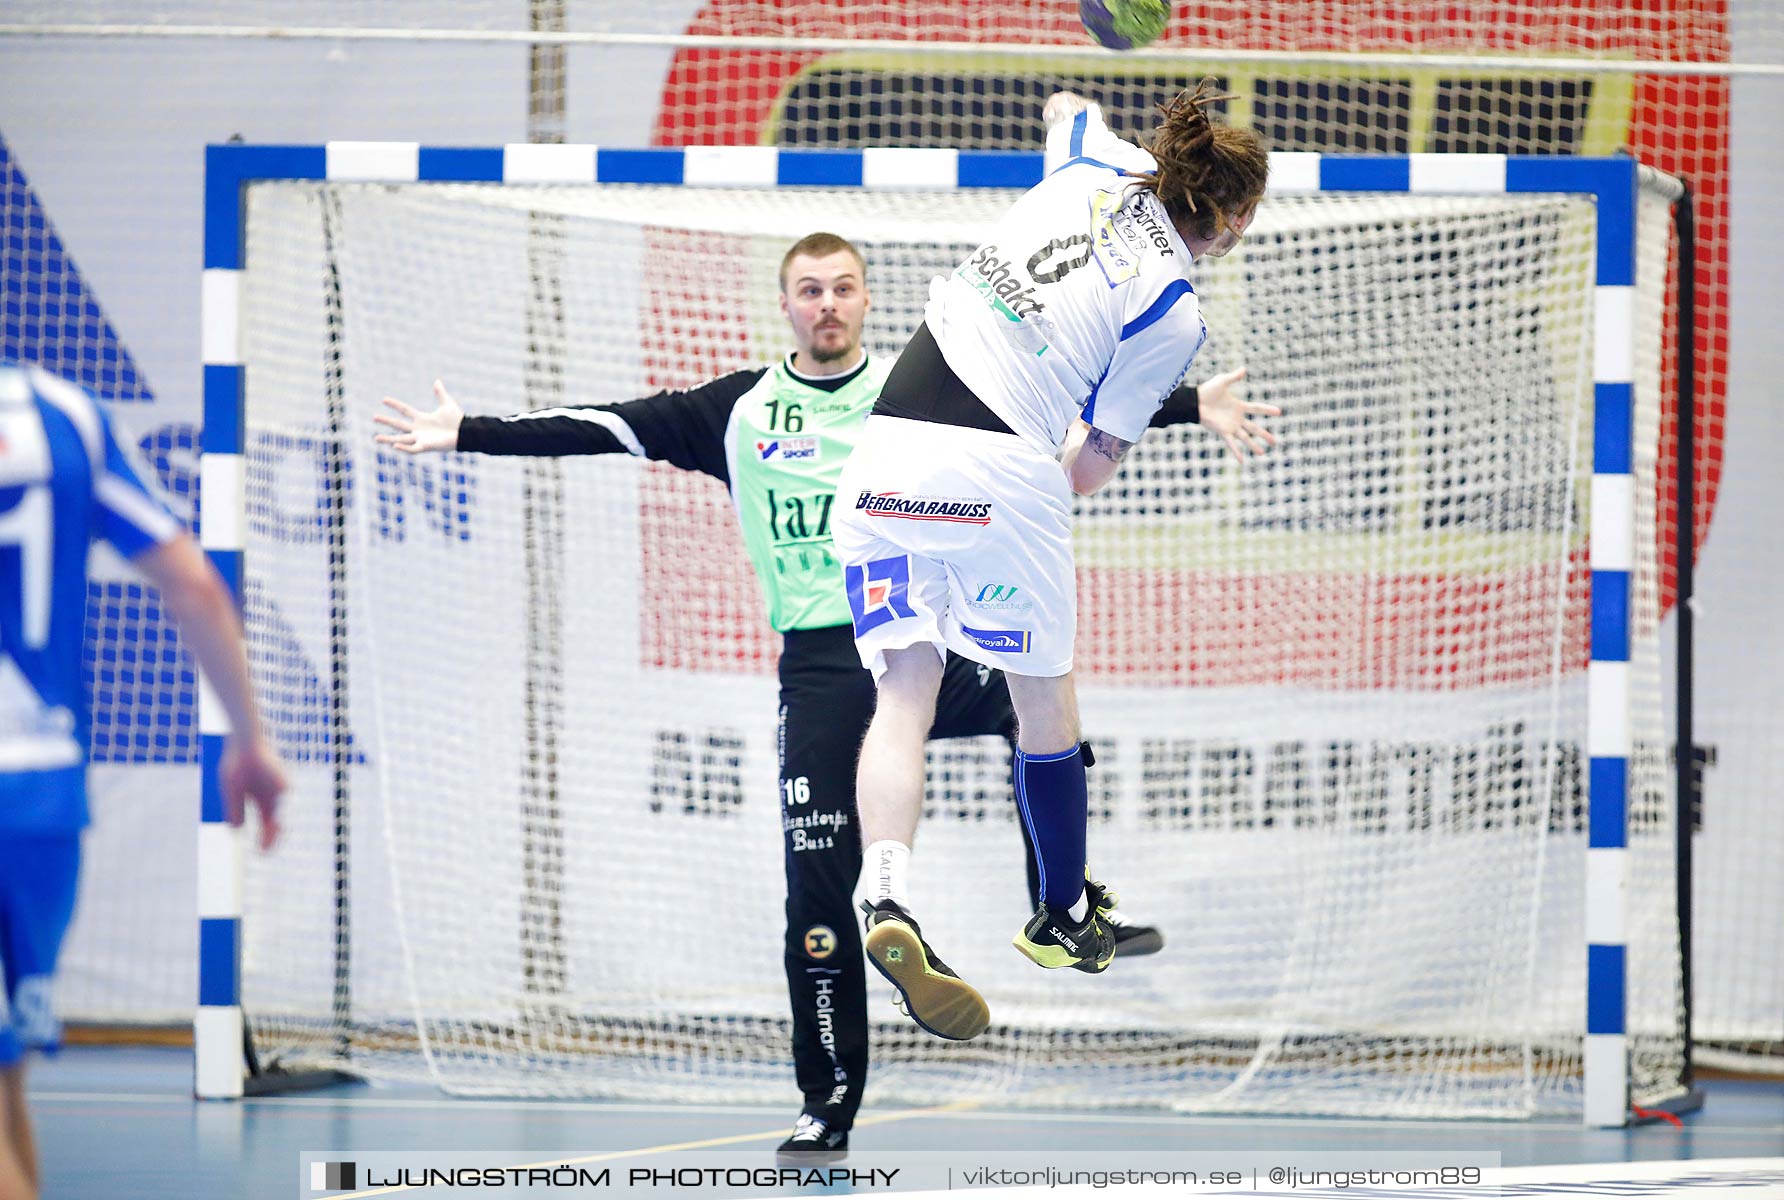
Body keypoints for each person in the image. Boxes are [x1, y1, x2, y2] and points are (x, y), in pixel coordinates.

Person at [375, 220, 1272, 1151]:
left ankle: (1059, 898)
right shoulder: (742, 410)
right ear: (785, 305)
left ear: (866, 299)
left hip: (911, 634)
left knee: (1044, 719)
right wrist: (467, 432)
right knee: (819, 896)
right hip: (821, 666)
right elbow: (605, 426)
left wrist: (1187, 405)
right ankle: (829, 1099)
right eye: (810, 289)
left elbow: (1044, 401)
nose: (828, 303)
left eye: (843, 287)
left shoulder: (914, 388)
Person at [831, 84, 1271, 1041]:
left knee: (905, 692)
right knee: (1045, 704)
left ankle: (887, 898)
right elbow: (1083, 474)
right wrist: (1067, 420)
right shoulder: (1174, 313)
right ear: (1232, 220)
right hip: (1003, 472)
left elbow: (1064, 102)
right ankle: (1062, 915)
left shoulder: (1095, 159)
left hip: (881, 458)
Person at [0, 362, 287, 1200]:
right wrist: (250, 740)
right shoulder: (64, 416)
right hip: (41, 806)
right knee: (7, 1092)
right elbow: (192, 583)